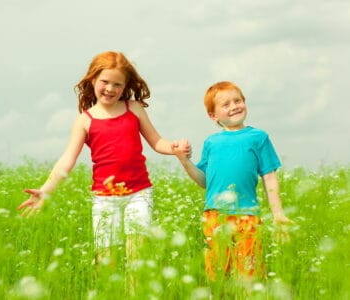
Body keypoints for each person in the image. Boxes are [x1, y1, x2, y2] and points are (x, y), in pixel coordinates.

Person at [17, 51, 190, 286]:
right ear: (93, 81)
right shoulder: (85, 120)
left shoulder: (134, 108)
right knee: (105, 260)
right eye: (105, 82)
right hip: (104, 199)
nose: (110, 88)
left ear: (125, 86)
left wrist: (175, 148)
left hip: (138, 194)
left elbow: (156, 141)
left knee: (137, 257)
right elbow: (67, 160)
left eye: (117, 84)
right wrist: (46, 189)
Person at [173, 81, 291, 283]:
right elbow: (204, 181)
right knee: (217, 274)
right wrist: (184, 160)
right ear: (213, 116)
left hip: (248, 216)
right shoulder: (211, 142)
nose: (234, 106)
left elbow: (269, 177)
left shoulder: (258, 137)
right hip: (215, 216)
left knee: (249, 274)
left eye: (237, 100)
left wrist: (278, 214)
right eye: (225, 104)